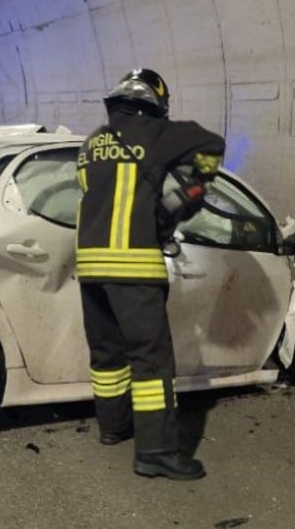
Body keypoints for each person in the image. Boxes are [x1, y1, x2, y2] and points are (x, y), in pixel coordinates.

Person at [75, 68, 225, 481]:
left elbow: (97, 192)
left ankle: (113, 426)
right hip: (133, 267)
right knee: (151, 361)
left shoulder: (92, 143)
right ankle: (157, 452)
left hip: (89, 267)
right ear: (155, 104)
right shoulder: (154, 134)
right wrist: (193, 190)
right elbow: (213, 143)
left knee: (107, 355)